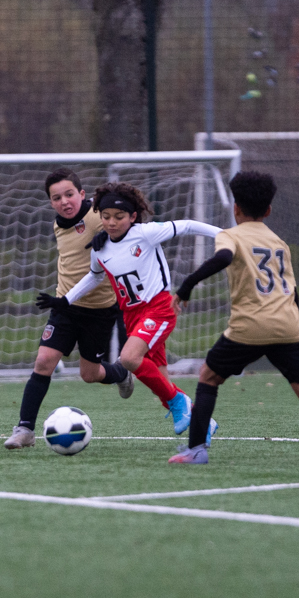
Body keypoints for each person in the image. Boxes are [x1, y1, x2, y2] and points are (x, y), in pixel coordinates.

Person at [169, 170, 299, 464]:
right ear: (268, 210)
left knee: (208, 377)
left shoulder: (230, 236)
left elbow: (223, 258)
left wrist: (187, 286)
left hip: (250, 327)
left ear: (236, 208)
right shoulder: (279, 242)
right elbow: (293, 293)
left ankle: (195, 451)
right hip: (289, 326)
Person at [37, 181, 222, 436]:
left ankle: (179, 402)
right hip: (132, 316)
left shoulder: (146, 233)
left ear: (133, 216)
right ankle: (202, 425)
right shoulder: (100, 248)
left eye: (119, 217)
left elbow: (188, 225)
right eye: (106, 217)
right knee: (160, 380)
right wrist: (65, 300)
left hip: (158, 308)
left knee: (128, 359)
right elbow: (94, 276)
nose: (112, 222)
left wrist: (226, 235)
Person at [4, 168, 133, 450]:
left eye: (69, 194)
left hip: (99, 310)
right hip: (64, 305)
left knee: (89, 374)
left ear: (82, 194)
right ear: (51, 202)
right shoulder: (58, 223)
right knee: (43, 362)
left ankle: (121, 374)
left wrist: (109, 240)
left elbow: (130, 231)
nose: (64, 201)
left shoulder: (100, 215)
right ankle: (24, 429)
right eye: (57, 197)